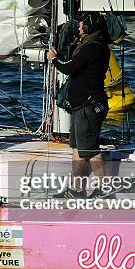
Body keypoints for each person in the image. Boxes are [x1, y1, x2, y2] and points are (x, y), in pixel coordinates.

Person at [46, 12, 110, 198]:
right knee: (78, 149)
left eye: (82, 25)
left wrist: (54, 59)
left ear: (90, 28)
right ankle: (77, 189)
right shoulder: (90, 44)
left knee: (90, 150)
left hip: (88, 106)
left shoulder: (94, 47)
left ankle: (103, 189)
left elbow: (69, 67)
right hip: (79, 106)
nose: (79, 28)